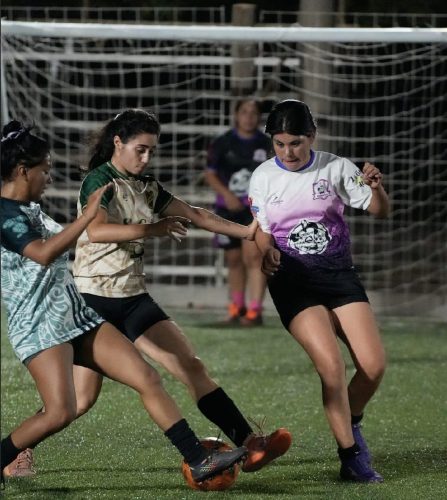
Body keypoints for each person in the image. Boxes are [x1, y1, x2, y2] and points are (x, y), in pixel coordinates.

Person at [3, 109, 292, 479]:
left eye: (152, 151)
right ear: (118, 143)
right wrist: (151, 229)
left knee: (187, 367)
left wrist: (248, 231)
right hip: (93, 300)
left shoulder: (146, 186)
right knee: (76, 402)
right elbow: (97, 232)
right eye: (140, 149)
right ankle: (19, 451)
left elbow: (196, 214)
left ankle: (246, 445)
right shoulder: (99, 181)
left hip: (131, 297)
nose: (146, 158)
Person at [249, 99, 389, 483]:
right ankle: (351, 456)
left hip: (339, 277)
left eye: (295, 142)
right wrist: (266, 251)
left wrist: (376, 189)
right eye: (279, 144)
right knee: (331, 367)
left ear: (312, 136)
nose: (288, 152)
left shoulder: (338, 168)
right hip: (293, 282)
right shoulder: (263, 177)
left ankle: (351, 421)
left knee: (374, 367)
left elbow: (379, 210)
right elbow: (261, 230)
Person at [204, 99, 269, 326]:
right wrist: (227, 195)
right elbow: (210, 173)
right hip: (227, 209)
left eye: (253, 112)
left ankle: (255, 311)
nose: (248, 117)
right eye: (244, 112)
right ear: (236, 115)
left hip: (254, 211)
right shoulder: (222, 142)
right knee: (233, 259)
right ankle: (236, 308)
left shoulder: (266, 144)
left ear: (259, 117)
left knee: (254, 257)